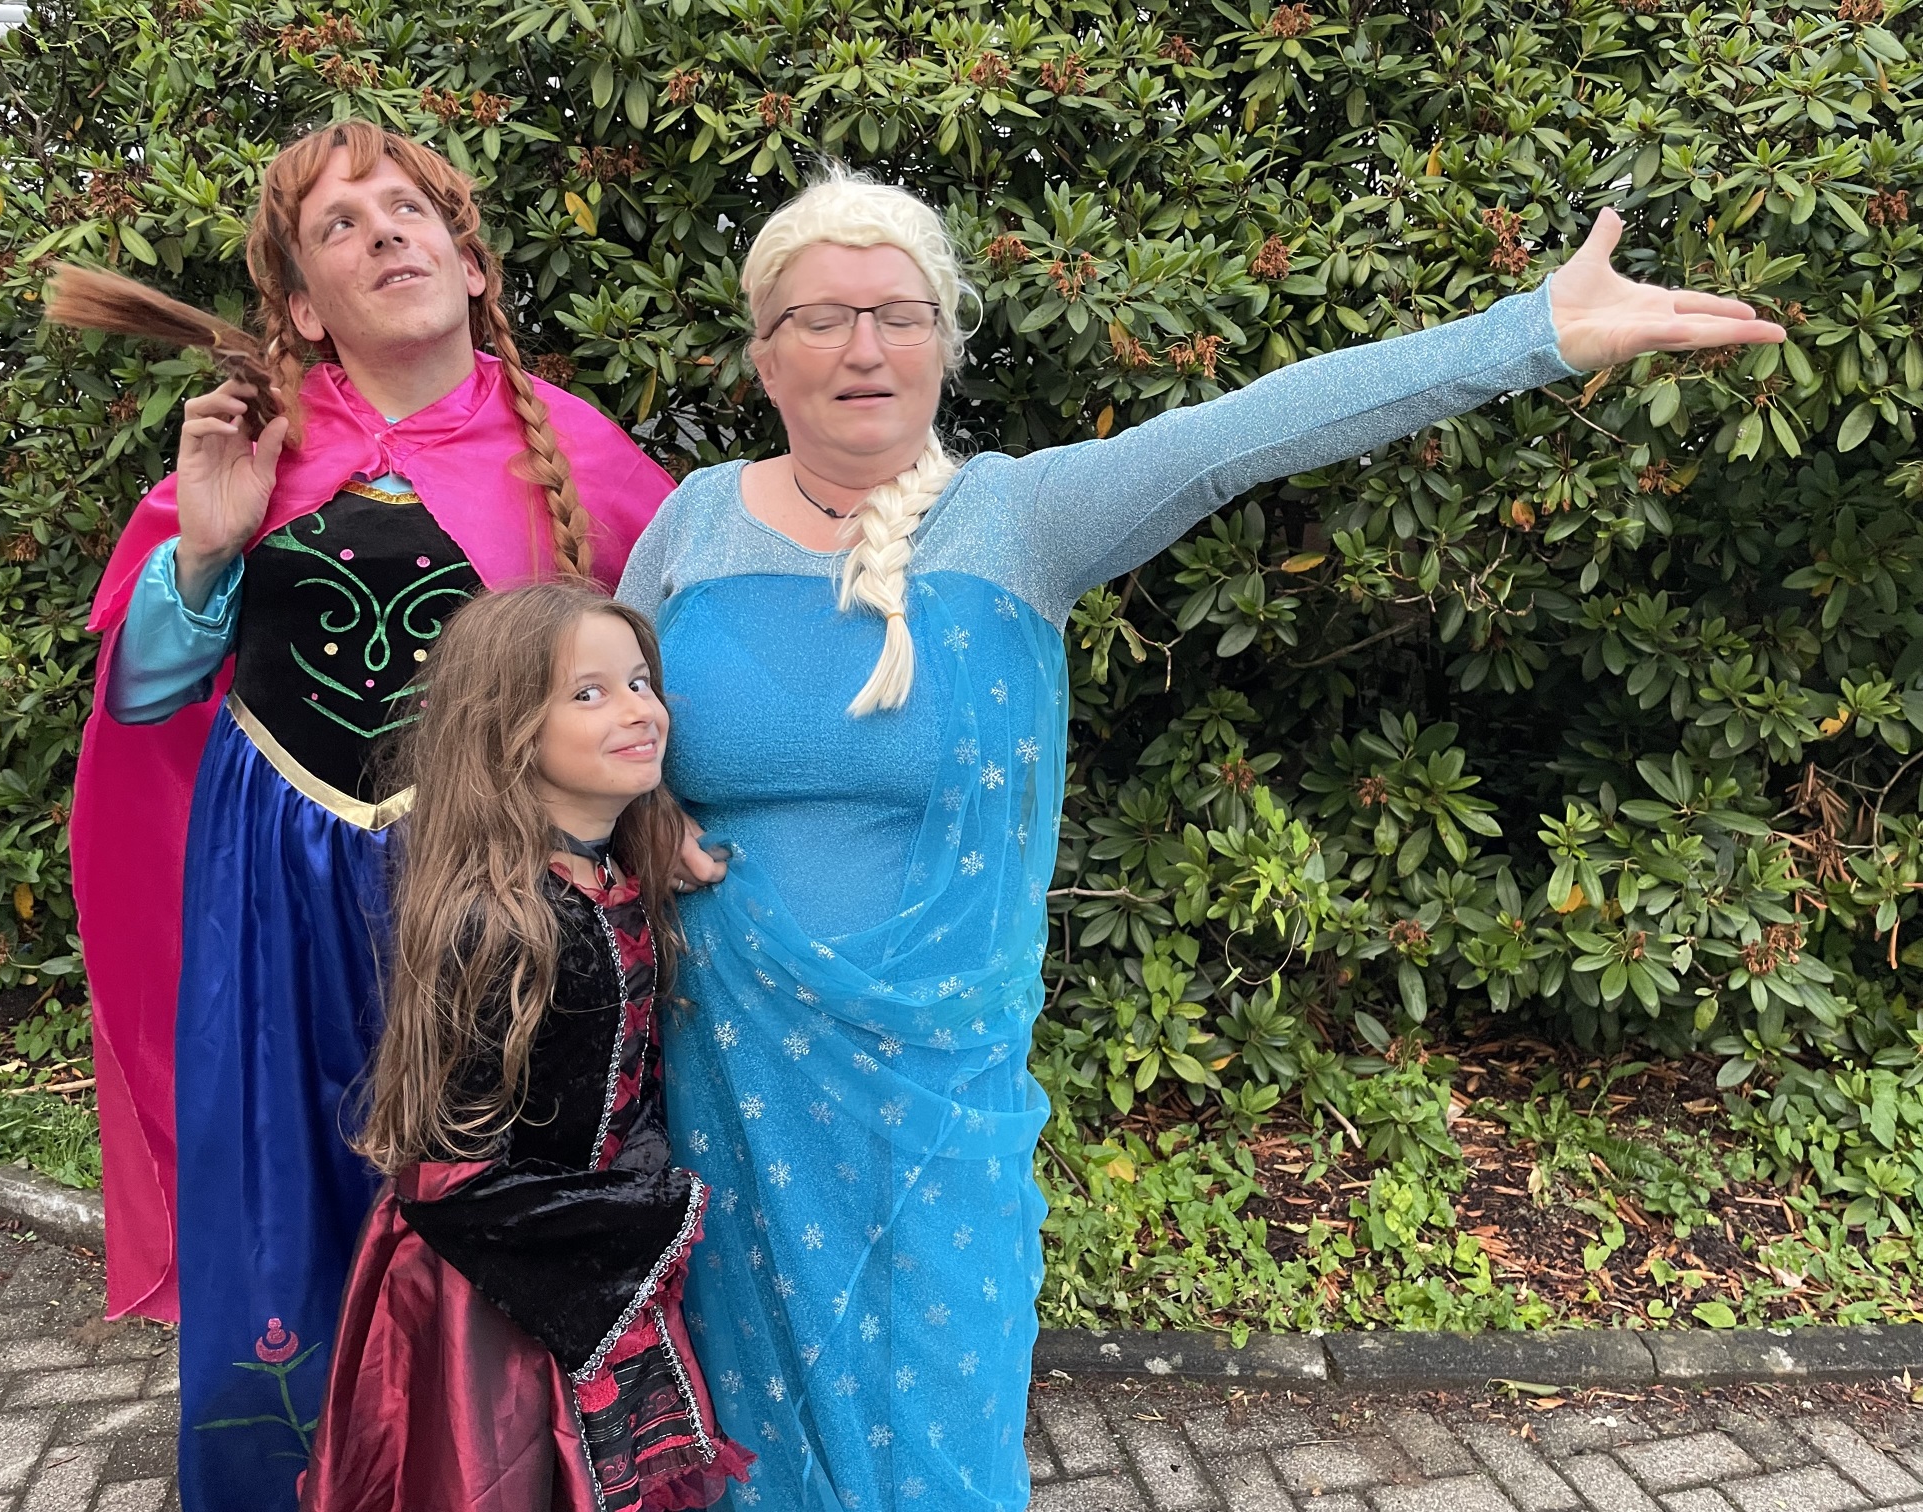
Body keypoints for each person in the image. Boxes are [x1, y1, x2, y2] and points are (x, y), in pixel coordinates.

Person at [615, 169, 1785, 1510]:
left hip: (932, 1095)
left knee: (935, 1399)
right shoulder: (692, 523)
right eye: (821, 318)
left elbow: (1248, 431)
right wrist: (647, 815)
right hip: (728, 1076)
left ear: (945, 339)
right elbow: (590, 722)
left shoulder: (1017, 519)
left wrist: (1530, 332)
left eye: (899, 313)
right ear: (766, 356)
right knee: (742, 1420)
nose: (863, 347)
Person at [64, 122, 674, 1512]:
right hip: (271, 910)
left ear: (471, 264)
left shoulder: (573, 455)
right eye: (340, 226)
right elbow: (145, 697)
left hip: (490, 916)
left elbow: (655, 686)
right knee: (283, 1200)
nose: (384, 232)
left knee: (479, 1208)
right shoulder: (259, 451)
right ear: (300, 306)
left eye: (409, 210)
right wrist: (205, 549)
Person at [299, 581, 751, 1512]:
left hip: (585, 1258)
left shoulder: (604, 874)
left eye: (640, 682)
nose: (638, 710)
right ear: (508, 732)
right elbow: (447, 1175)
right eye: (588, 694)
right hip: (492, 1297)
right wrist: (636, 1219)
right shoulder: (499, 921)